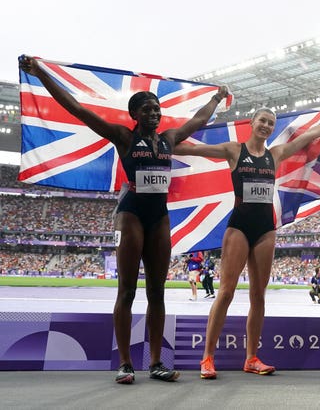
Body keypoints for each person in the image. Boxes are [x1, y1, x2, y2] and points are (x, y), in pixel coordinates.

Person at [19, 55, 229, 385]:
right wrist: (41, 72)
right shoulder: (124, 137)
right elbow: (77, 109)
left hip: (159, 216)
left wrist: (217, 98)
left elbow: (199, 120)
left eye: (157, 109)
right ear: (134, 115)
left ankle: (157, 362)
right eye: (147, 109)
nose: (155, 113)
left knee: (157, 291)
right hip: (130, 214)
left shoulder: (169, 139)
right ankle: (126, 363)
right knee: (127, 291)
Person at [174, 104, 320, 379]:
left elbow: (306, 138)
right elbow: (192, 150)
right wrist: (164, 145)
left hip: (266, 229)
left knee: (258, 295)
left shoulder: (275, 154)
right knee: (226, 292)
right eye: (262, 121)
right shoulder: (233, 150)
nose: (266, 126)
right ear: (252, 123)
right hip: (239, 226)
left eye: (270, 123)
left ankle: (251, 358)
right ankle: (207, 357)